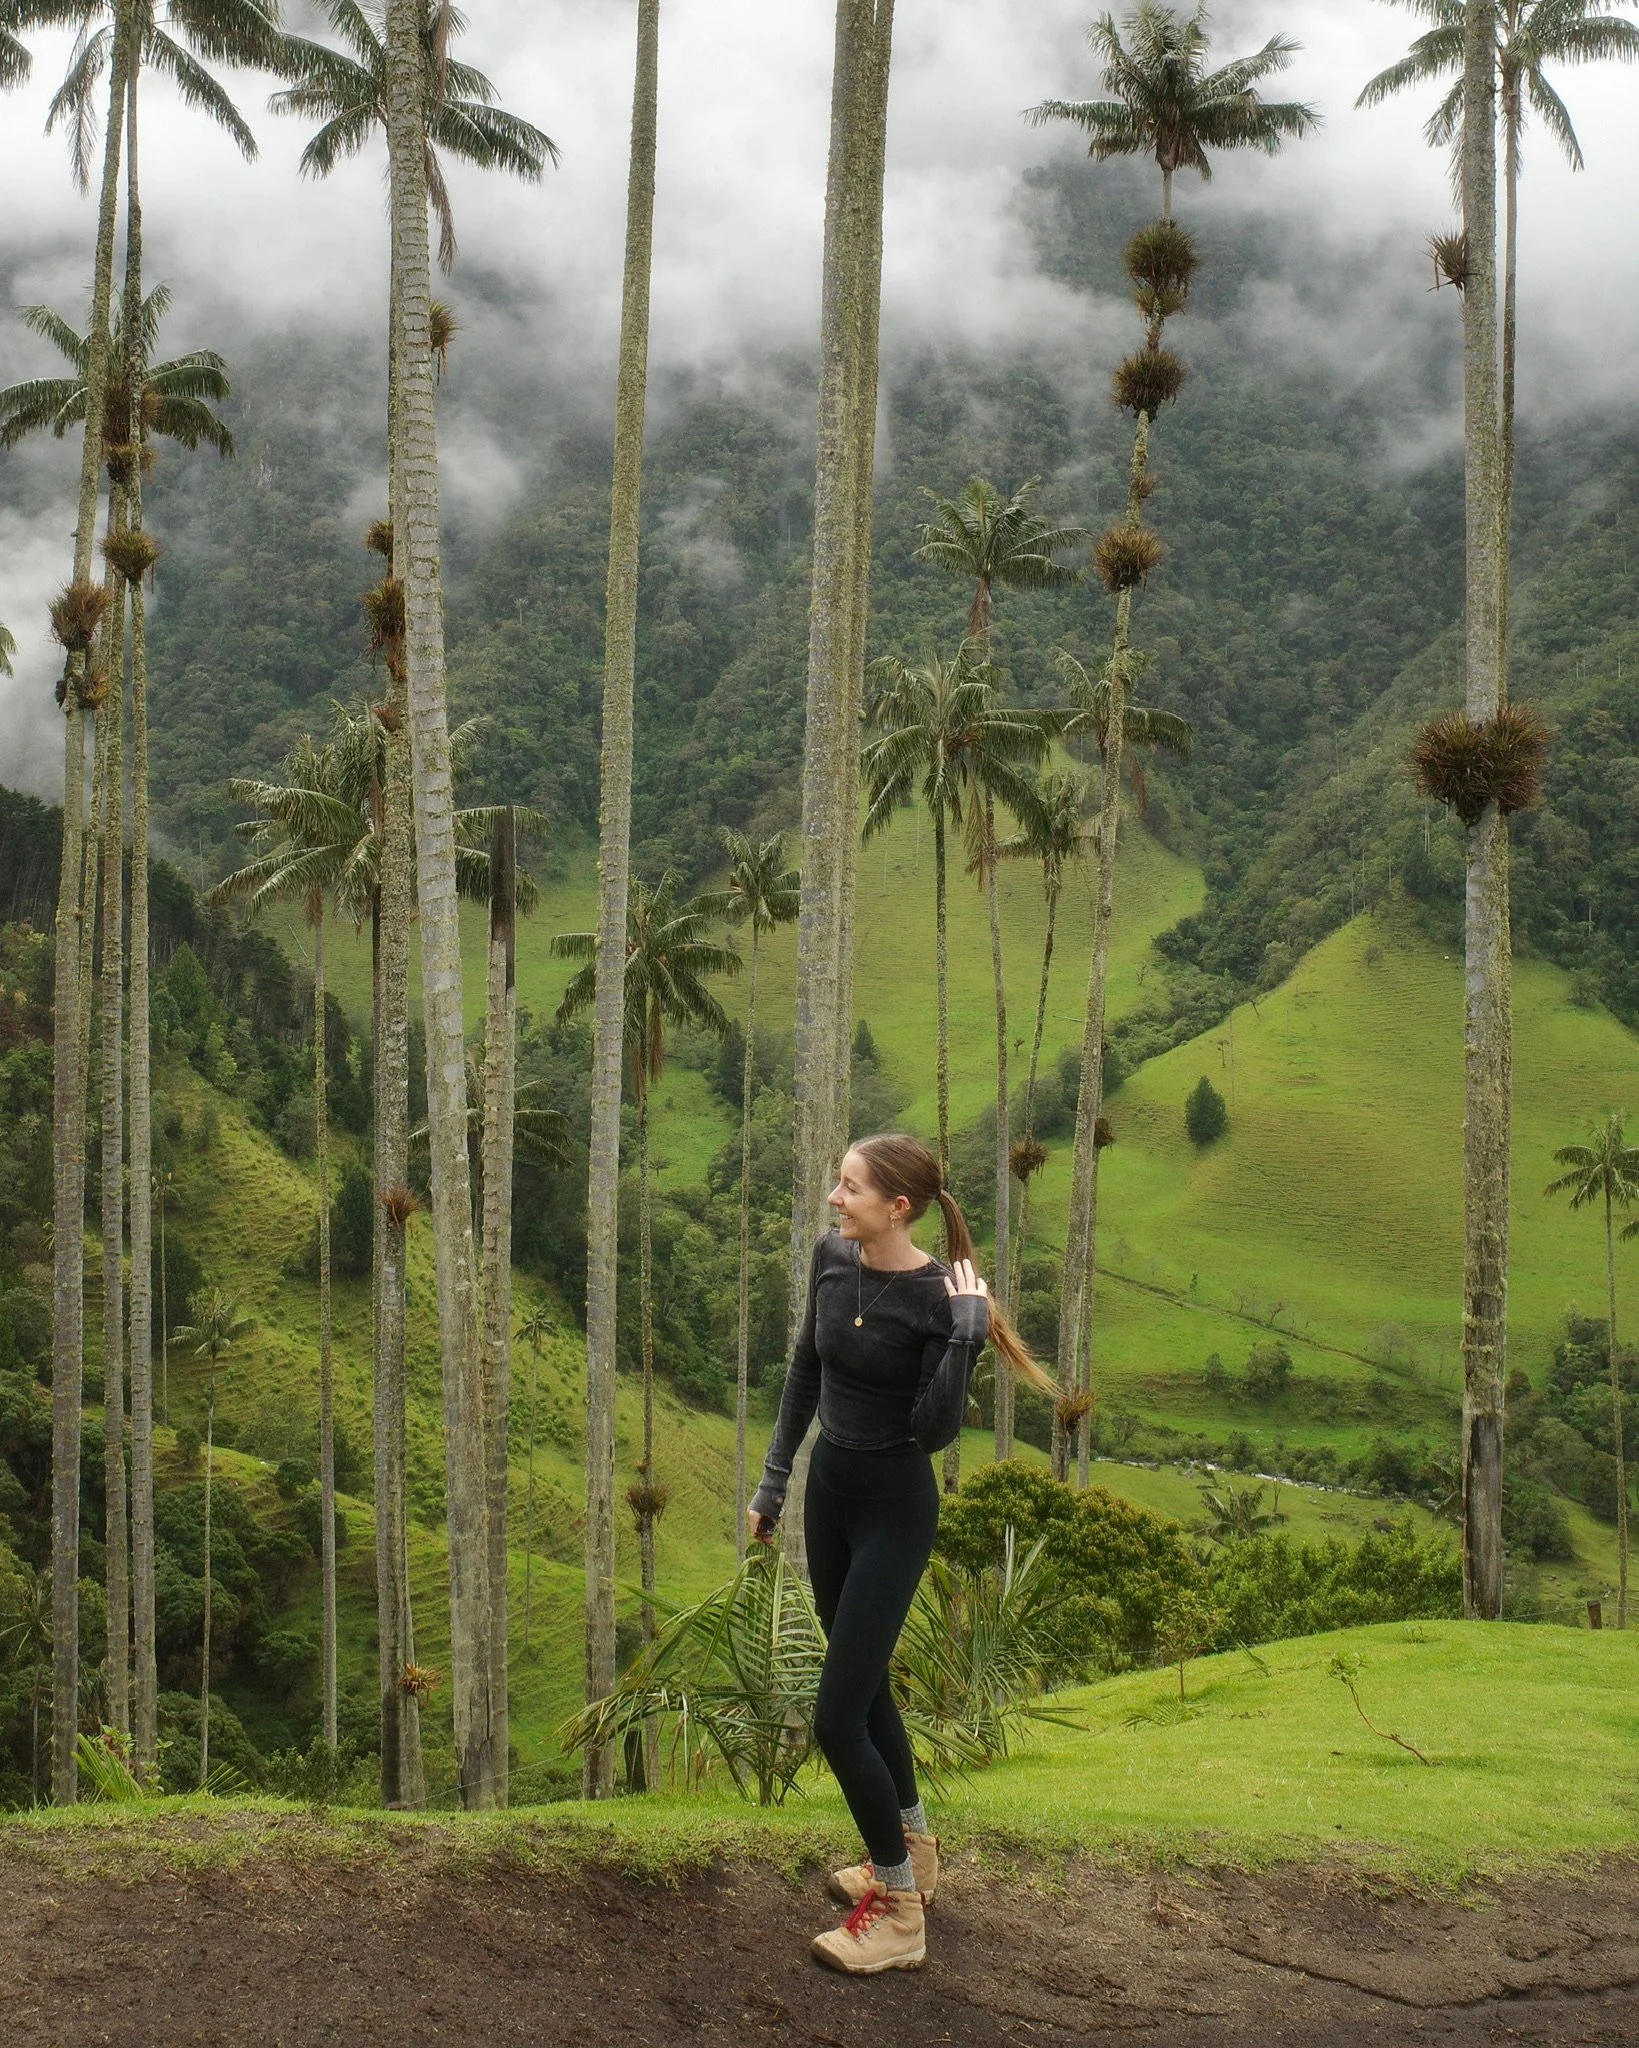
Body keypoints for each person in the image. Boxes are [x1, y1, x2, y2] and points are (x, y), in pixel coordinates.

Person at [748, 1131, 1056, 1975]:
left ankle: (897, 1911)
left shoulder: (936, 1300)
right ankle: (914, 1852)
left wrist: (964, 1338)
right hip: (829, 1498)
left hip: (892, 1509)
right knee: (865, 1685)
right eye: (837, 1183)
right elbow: (804, 1371)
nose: (833, 1199)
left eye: (849, 1188)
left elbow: (932, 1433)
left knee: (836, 1718)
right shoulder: (830, 1258)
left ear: (897, 1207)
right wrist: (773, 1483)